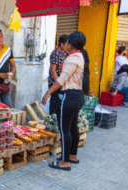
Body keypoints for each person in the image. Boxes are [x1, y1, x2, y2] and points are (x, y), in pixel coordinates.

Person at [41, 31, 86, 171]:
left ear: (70, 44)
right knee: (72, 127)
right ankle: (72, 156)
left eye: (67, 42)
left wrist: (48, 93)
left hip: (70, 96)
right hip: (78, 96)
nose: (65, 45)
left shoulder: (72, 59)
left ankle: (64, 162)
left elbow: (61, 80)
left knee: (64, 130)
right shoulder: (79, 56)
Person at [48, 35, 68, 115]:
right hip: (54, 82)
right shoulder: (55, 53)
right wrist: (57, 82)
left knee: (59, 102)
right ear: (62, 44)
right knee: (54, 102)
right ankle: (52, 120)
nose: (67, 46)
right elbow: (52, 69)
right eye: (66, 44)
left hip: (60, 82)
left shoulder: (63, 53)